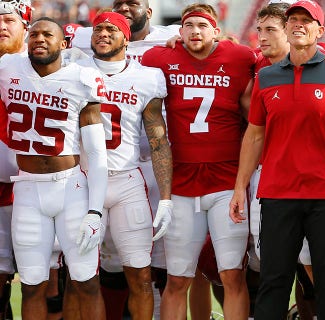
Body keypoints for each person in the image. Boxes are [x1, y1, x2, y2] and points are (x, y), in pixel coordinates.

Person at [228, 1, 325, 318]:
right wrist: (241, 187)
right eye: (293, 19)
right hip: (278, 194)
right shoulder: (266, 76)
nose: (298, 25)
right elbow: (254, 135)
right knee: (273, 282)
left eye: (306, 21)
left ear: (320, 30)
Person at [142, 3, 255, 319]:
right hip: (182, 183)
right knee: (178, 278)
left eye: (202, 25)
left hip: (226, 181)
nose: (195, 31)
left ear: (217, 31)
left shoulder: (240, 57)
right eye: (188, 25)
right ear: (179, 31)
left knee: (232, 274)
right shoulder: (159, 58)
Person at [0, 17, 108, 319]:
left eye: (48, 34)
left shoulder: (81, 78)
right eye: (33, 34)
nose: (39, 39)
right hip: (27, 188)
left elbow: (97, 153)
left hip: (70, 188)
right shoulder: (8, 68)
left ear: (63, 44)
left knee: (87, 281)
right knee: (32, 285)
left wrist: (95, 211)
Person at [76, 11, 172, 320]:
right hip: (83, 183)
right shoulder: (74, 71)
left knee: (141, 276)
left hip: (127, 181)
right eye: (98, 28)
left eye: (110, 29)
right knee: (83, 277)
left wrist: (166, 197)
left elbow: (158, 140)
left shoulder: (147, 77)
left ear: (126, 38)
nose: (102, 33)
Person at [0, 0, 31, 317]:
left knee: (47, 277)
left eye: (9, 19)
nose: (1, 26)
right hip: (1, 191)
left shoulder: (48, 59)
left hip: (37, 185)